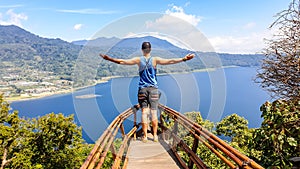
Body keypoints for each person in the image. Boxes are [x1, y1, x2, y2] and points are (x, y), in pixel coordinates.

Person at [100, 41, 194, 142]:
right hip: (153, 89)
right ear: (150, 50)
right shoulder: (155, 60)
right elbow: (170, 61)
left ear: (142, 50)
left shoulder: (138, 60)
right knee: (153, 113)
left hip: (142, 90)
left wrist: (109, 59)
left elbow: (122, 61)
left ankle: (145, 136)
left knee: (144, 112)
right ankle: (155, 136)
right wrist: (184, 59)